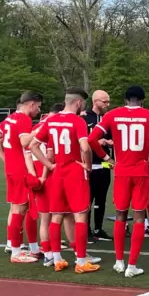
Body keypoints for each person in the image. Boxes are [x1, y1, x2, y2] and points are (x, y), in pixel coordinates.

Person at [88, 85, 149, 278]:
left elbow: (92, 138)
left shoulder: (112, 115)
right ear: (142, 100)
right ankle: (132, 265)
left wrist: (107, 158)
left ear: (126, 99)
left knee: (120, 214)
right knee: (139, 217)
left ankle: (119, 262)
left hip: (121, 171)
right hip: (141, 171)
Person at [30, 87, 100, 274]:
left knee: (56, 215)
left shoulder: (50, 120)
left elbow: (33, 145)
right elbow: (85, 147)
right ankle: (81, 261)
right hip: (74, 170)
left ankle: (58, 259)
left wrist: (49, 165)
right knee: (80, 215)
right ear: (78, 102)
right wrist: (87, 164)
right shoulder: (78, 120)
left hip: (58, 171)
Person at [0, 91, 43, 263]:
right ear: (32, 104)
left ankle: (14, 246)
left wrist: (6, 159)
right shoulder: (23, 119)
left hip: (11, 169)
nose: (38, 111)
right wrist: (41, 128)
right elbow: (24, 141)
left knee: (16, 208)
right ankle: (16, 252)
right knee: (20, 209)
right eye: (38, 107)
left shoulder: (10, 118)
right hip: (20, 171)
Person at [24, 102, 64, 266]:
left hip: (37, 174)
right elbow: (50, 154)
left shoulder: (37, 127)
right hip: (50, 175)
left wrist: (35, 177)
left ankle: (47, 253)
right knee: (58, 215)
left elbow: (27, 153)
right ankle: (55, 254)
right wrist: (45, 174)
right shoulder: (52, 128)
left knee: (44, 218)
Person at [82, 90, 113, 243]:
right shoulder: (84, 117)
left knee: (101, 199)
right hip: (90, 165)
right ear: (95, 101)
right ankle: (85, 230)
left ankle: (98, 229)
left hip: (105, 164)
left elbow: (112, 137)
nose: (108, 105)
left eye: (108, 102)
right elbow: (80, 141)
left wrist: (110, 141)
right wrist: (95, 141)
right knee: (87, 199)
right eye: (104, 102)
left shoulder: (108, 118)